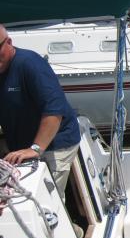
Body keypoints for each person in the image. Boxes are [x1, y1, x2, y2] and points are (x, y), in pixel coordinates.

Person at [0, 25, 81, 200]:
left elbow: (54, 111)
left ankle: (68, 226)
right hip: (19, 143)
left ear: (9, 42)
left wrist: (35, 149)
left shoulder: (30, 64)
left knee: (48, 199)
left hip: (54, 144)